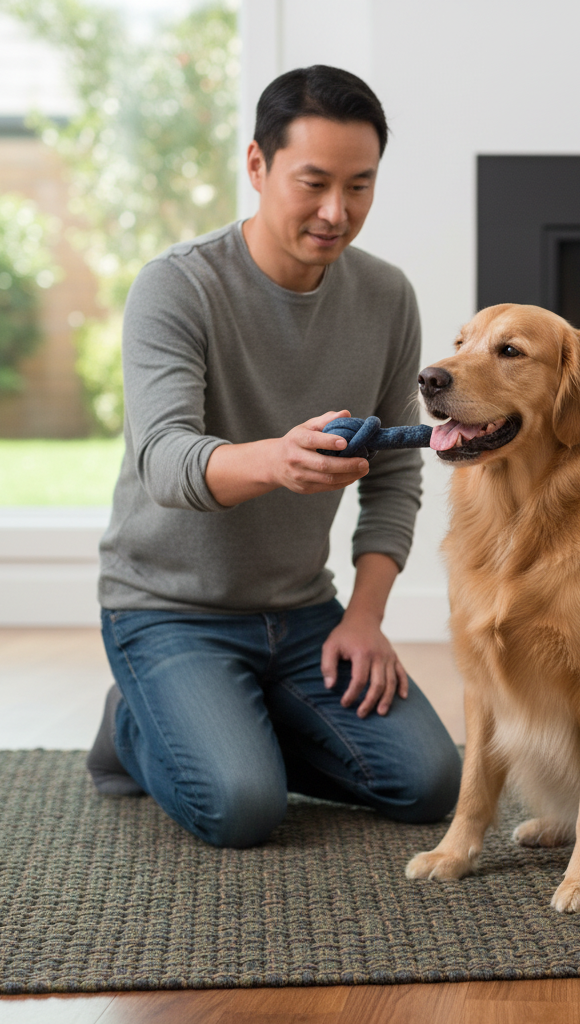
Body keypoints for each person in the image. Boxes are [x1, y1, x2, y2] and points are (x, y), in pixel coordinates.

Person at [86, 65, 461, 848]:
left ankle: (228, 721)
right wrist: (275, 462)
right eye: (314, 182)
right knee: (243, 809)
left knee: (430, 783)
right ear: (256, 166)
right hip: (167, 610)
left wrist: (364, 618)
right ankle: (137, 724)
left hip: (301, 612)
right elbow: (164, 459)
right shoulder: (176, 288)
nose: (337, 212)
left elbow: (394, 470)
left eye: (360, 186)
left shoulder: (387, 297)